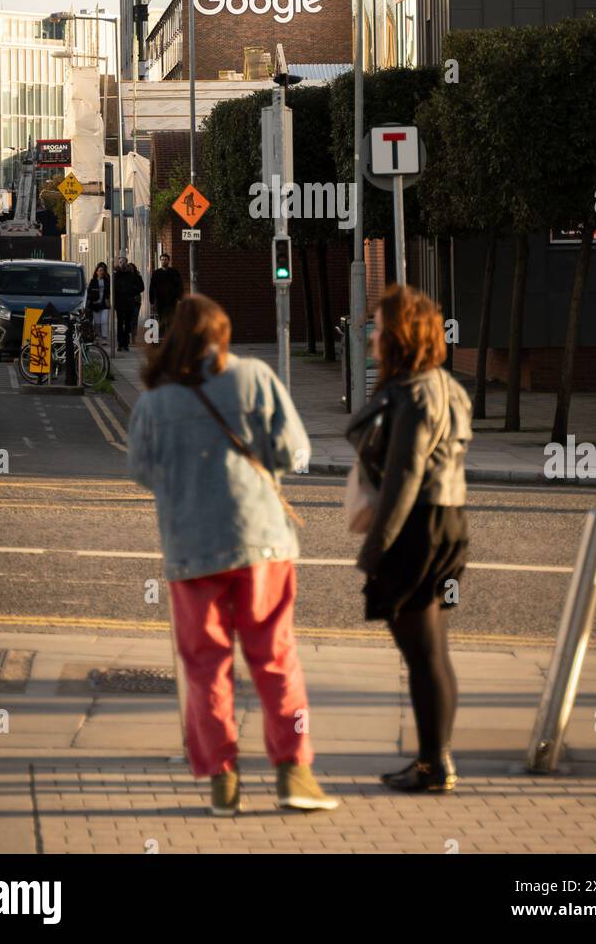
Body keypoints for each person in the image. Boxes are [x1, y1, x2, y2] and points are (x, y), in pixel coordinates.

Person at [128, 293, 339, 818]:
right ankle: (295, 774)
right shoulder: (254, 377)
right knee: (275, 659)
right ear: (222, 334)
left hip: (190, 549)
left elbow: (140, 471)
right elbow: (294, 451)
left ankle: (223, 782)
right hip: (260, 542)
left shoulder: (154, 401)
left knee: (206, 668)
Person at [346, 284, 472, 795]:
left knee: (422, 654)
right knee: (432, 650)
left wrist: (375, 551)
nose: (370, 334)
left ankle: (433, 765)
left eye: (377, 325)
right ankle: (433, 758)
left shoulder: (415, 394)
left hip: (417, 528)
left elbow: (403, 479)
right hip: (447, 523)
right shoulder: (445, 384)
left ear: (397, 335)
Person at [149, 253, 184, 335]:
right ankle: (162, 338)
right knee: (161, 319)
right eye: (162, 260)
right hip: (160, 300)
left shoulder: (174, 272)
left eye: (165, 259)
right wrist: (152, 302)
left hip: (172, 300)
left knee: (171, 319)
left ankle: (170, 338)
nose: (164, 261)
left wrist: (179, 298)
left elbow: (179, 286)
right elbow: (152, 287)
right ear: (160, 261)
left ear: (168, 261)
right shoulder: (156, 273)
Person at [113, 256, 143, 352]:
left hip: (129, 302)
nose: (122, 264)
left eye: (123, 262)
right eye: (120, 262)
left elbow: (140, 287)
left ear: (126, 263)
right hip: (119, 303)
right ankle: (120, 344)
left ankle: (125, 344)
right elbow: (113, 287)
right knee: (120, 324)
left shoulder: (131, 275)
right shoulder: (116, 275)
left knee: (127, 324)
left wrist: (132, 292)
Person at [87, 262, 110, 344]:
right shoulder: (93, 281)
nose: (101, 272)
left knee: (104, 321)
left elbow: (110, 291)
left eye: (102, 270)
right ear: (96, 272)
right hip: (95, 304)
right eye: (99, 270)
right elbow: (89, 292)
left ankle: (104, 337)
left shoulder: (107, 281)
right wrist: (92, 299)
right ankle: (97, 337)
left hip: (104, 304)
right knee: (97, 322)